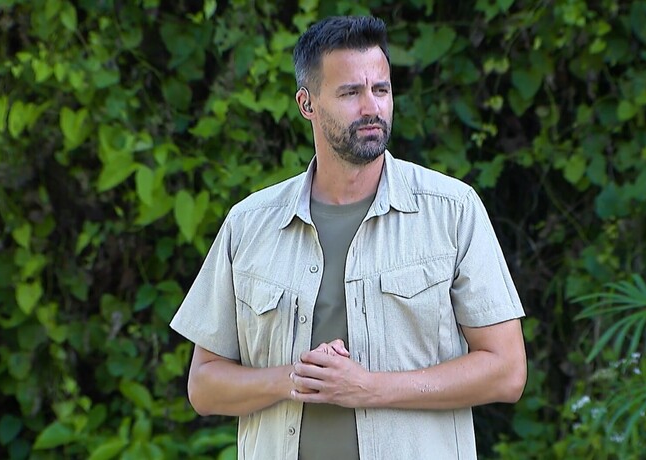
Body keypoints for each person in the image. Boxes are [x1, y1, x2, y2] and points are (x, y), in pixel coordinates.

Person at [170, 15, 527, 460]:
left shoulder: (452, 211)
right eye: (350, 93)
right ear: (307, 103)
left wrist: (370, 387)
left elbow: (506, 371)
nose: (371, 107)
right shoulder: (249, 225)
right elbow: (204, 386)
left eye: (381, 90)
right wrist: (293, 378)